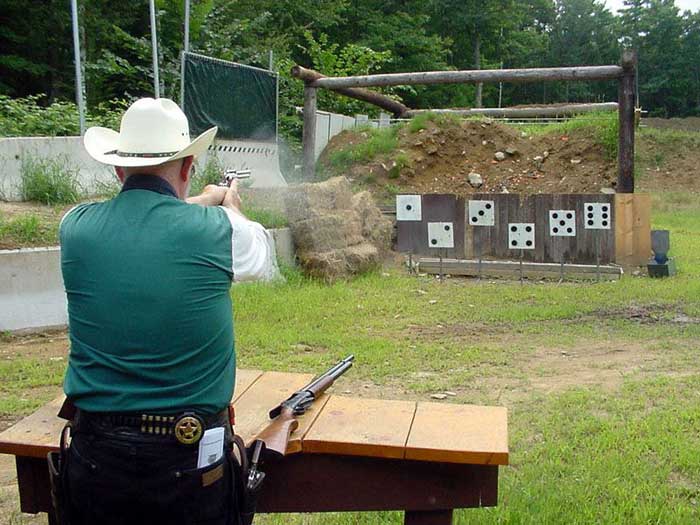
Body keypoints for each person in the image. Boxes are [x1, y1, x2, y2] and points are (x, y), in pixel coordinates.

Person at [57, 97, 277, 524]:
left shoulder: (75, 227)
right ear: (188, 166)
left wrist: (200, 198)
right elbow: (262, 256)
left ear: (118, 169)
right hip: (190, 458)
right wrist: (227, 202)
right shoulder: (225, 230)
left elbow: (144, 217)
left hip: (96, 454)